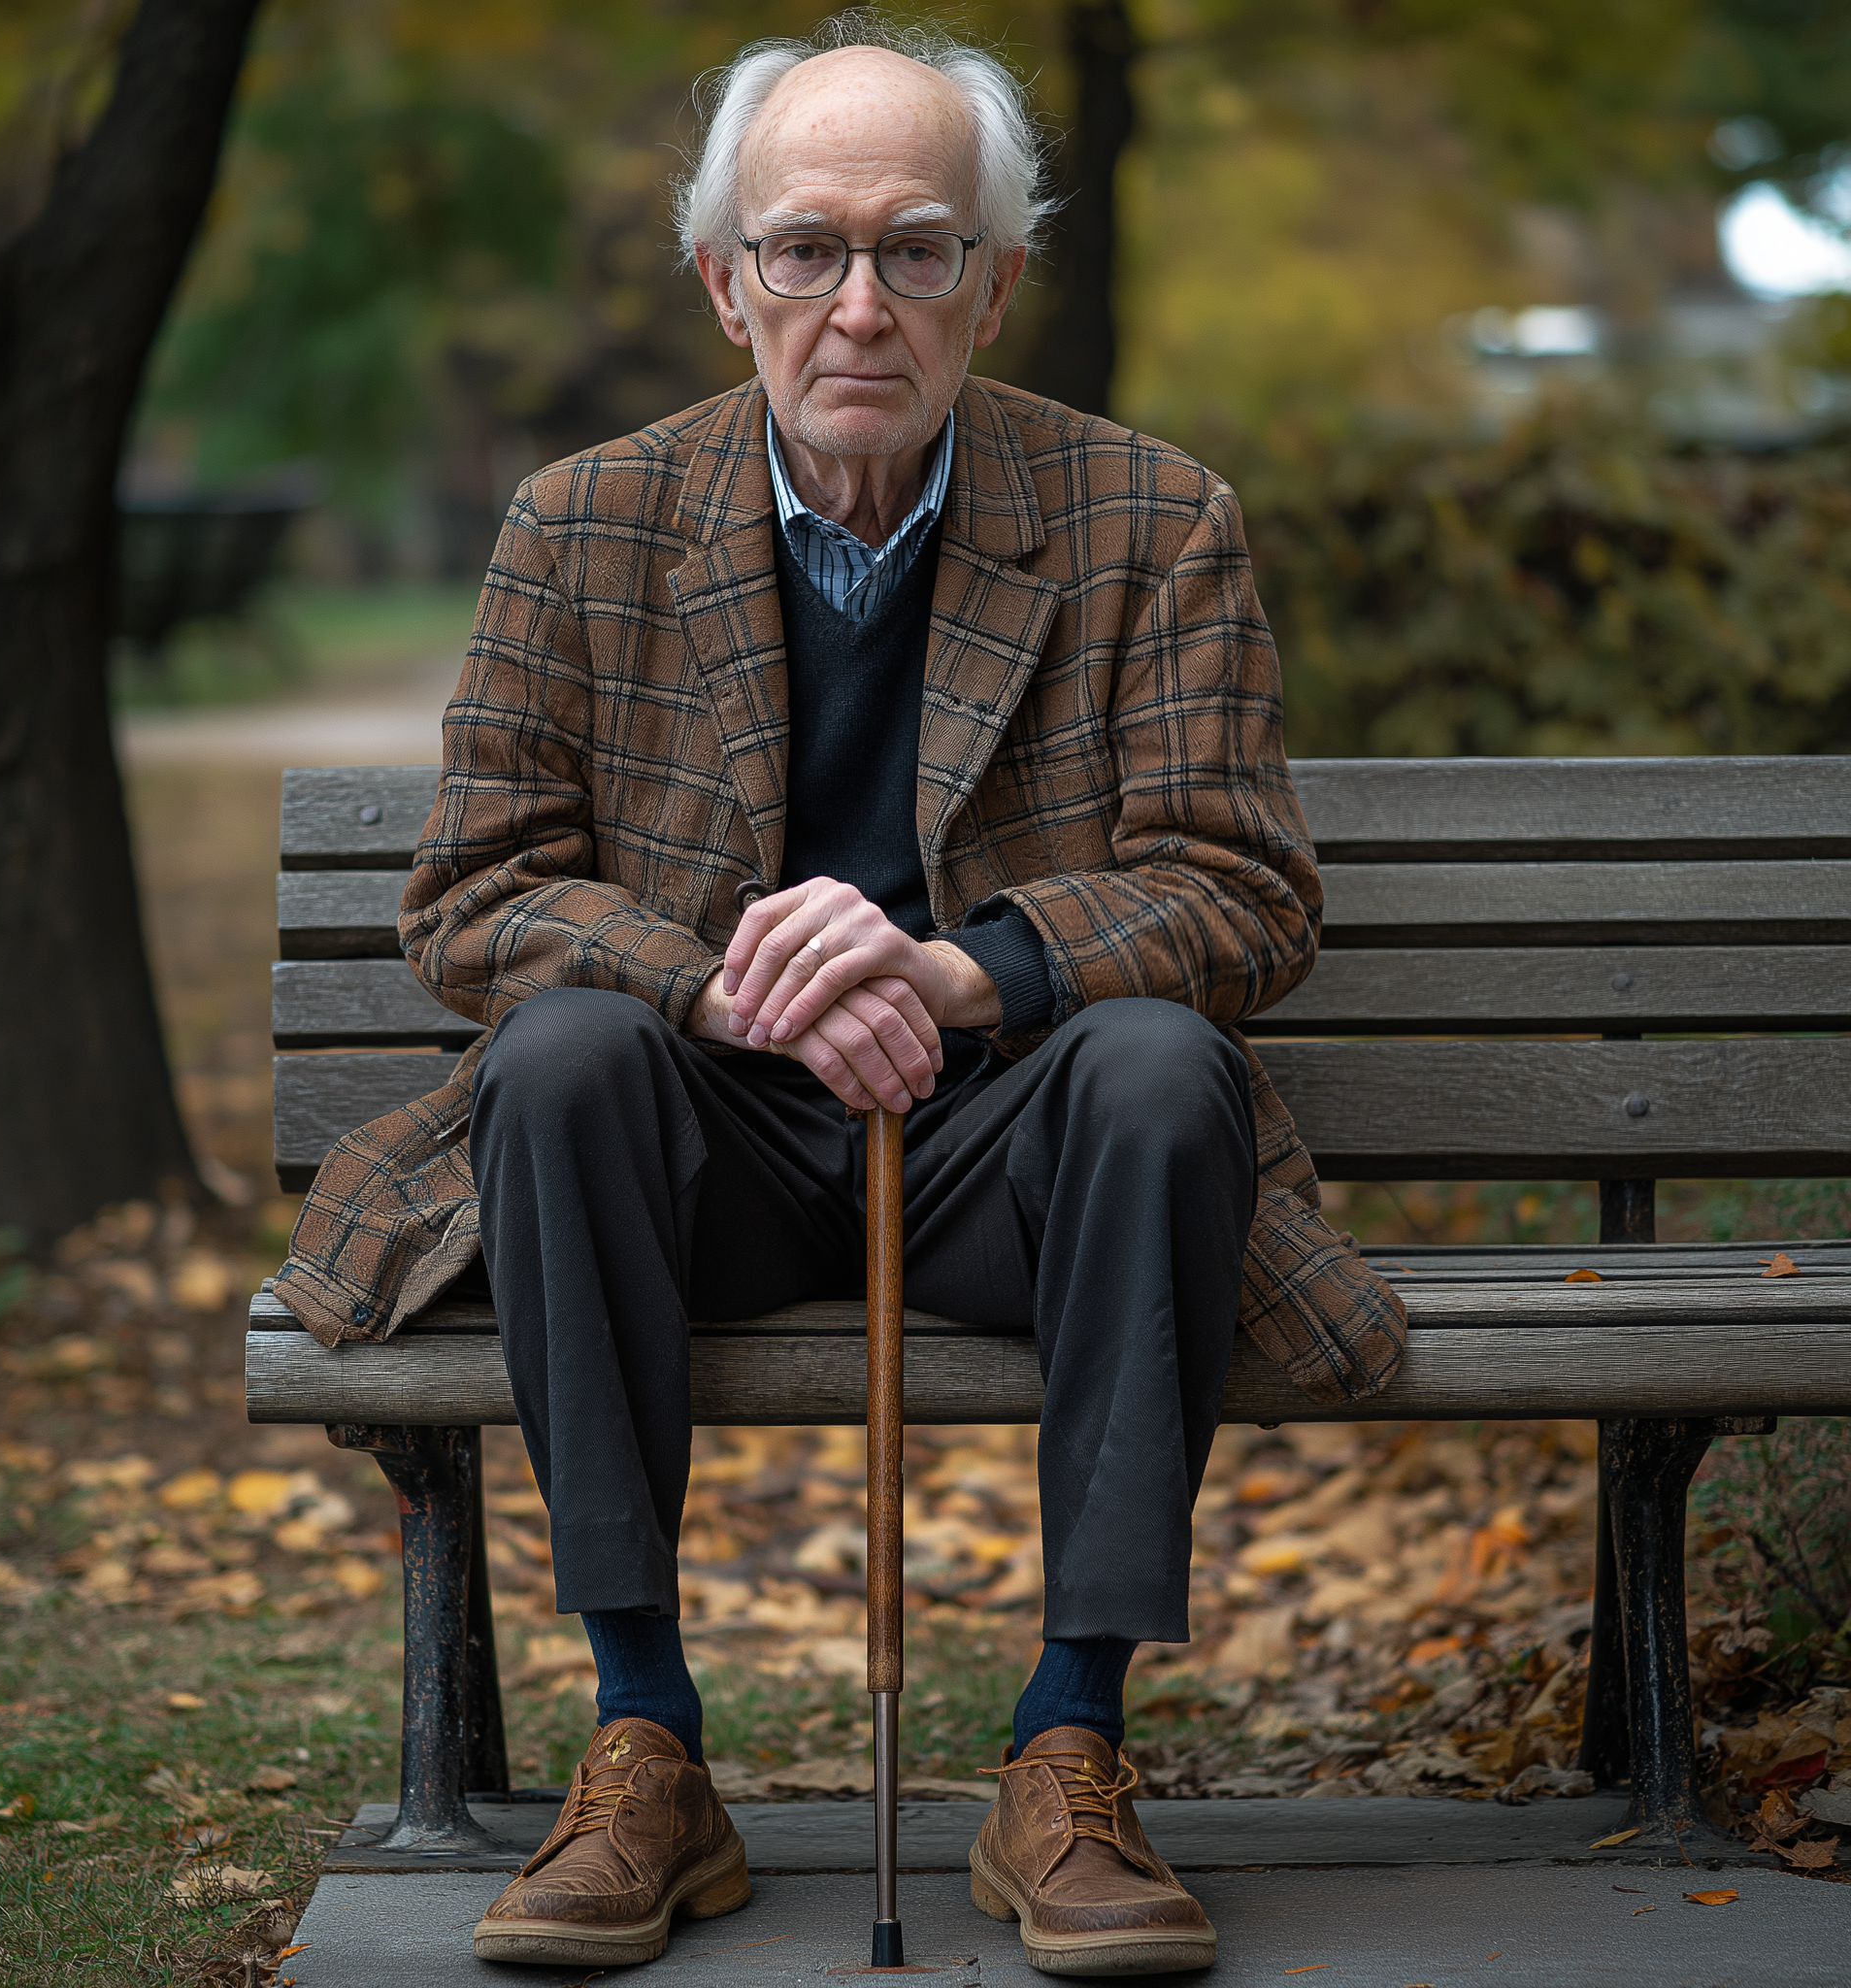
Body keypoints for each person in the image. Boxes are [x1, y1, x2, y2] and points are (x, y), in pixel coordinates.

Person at [276, 14, 1405, 1976]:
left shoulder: (1151, 516)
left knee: (1157, 1061)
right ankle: (645, 1741)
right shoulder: (583, 523)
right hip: (695, 1150)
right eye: (805, 247)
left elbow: (1242, 895)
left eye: (917, 246)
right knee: (554, 1055)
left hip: (1007, 1149)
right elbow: (474, 899)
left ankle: (1069, 1742)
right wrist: (728, 987)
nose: (859, 301)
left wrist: (963, 968)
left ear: (996, 281)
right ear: (726, 285)